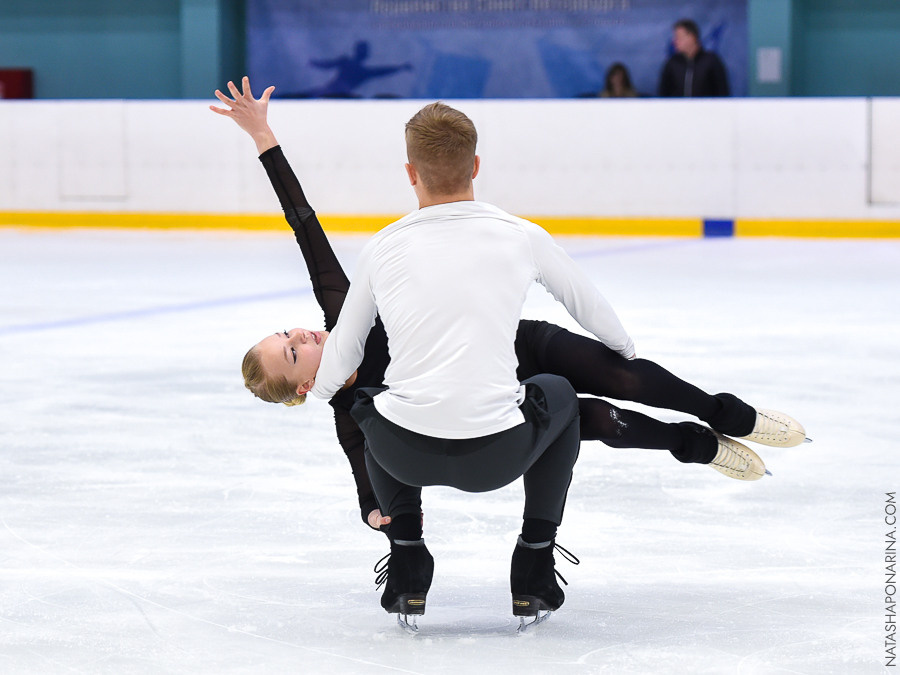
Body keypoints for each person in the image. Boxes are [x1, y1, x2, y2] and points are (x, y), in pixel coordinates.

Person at [211, 77, 806, 624]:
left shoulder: (344, 316)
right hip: (495, 397)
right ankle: (690, 443)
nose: (303, 336)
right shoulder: (354, 409)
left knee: (614, 371)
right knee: (582, 416)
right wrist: (377, 515)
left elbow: (303, 221)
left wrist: (264, 137)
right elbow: (362, 465)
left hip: (512, 343)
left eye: (289, 332)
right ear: (299, 389)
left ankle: (725, 414)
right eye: (291, 353)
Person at [658, 19, 730, 97]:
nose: (675, 41)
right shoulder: (672, 63)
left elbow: (722, 93)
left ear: (692, 37)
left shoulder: (711, 61)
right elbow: (663, 94)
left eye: (678, 37)